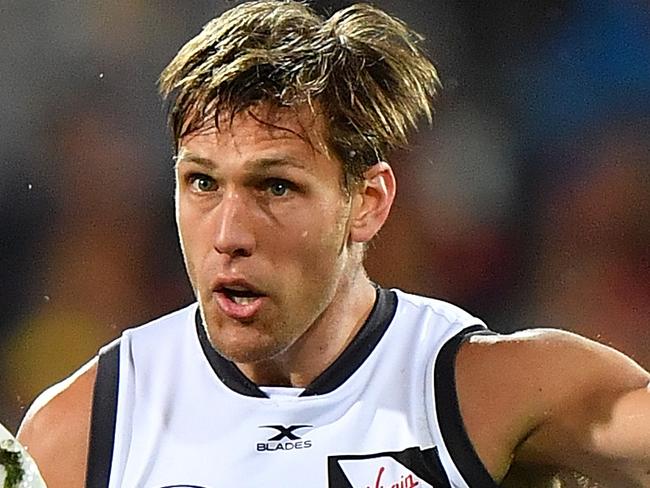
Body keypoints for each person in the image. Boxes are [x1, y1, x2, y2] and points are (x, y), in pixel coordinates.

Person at [17, 1, 650, 487]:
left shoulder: (488, 390)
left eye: (276, 187)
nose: (230, 234)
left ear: (367, 202)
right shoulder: (84, 432)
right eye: (202, 182)